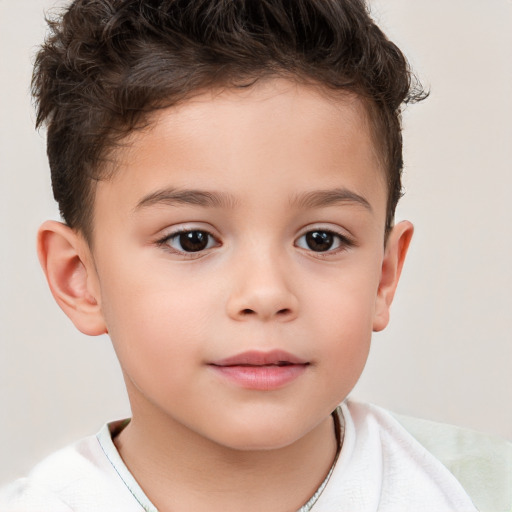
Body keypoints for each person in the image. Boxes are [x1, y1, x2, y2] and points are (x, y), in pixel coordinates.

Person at [1, 0, 510, 510]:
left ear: (383, 274)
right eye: (191, 239)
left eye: (321, 239)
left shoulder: (480, 491)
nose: (266, 294)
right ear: (79, 279)